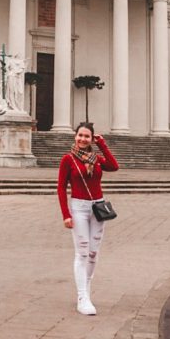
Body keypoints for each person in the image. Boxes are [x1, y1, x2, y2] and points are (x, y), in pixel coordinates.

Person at [57, 122, 119, 315]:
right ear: (75, 136)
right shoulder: (68, 159)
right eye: (80, 135)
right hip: (79, 209)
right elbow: (61, 188)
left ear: (91, 138)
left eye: (87, 136)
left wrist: (102, 144)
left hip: (98, 208)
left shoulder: (97, 159)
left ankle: (87, 288)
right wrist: (66, 214)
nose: (82, 139)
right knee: (82, 252)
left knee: (93, 253)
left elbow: (114, 166)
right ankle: (82, 296)